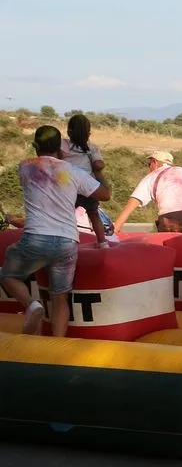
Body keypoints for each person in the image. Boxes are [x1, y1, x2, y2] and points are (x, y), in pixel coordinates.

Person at [0, 126, 111, 336]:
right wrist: (99, 172)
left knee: (8, 275)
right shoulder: (74, 172)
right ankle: (58, 345)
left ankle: (32, 305)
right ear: (60, 148)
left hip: (36, 238)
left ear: (35, 146)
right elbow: (105, 195)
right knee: (60, 297)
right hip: (67, 242)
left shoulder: (25, 166)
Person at [113, 151, 182, 233]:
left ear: (154, 162)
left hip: (170, 220)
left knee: (170, 246)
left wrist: (115, 229)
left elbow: (131, 205)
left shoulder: (151, 176)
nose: (149, 167)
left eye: (149, 164)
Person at [60, 114, 109, 246]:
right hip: (88, 187)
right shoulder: (91, 148)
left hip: (68, 186)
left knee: (66, 214)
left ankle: (66, 239)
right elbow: (98, 165)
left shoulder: (63, 144)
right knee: (93, 214)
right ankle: (102, 242)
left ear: (69, 131)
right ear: (88, 133)